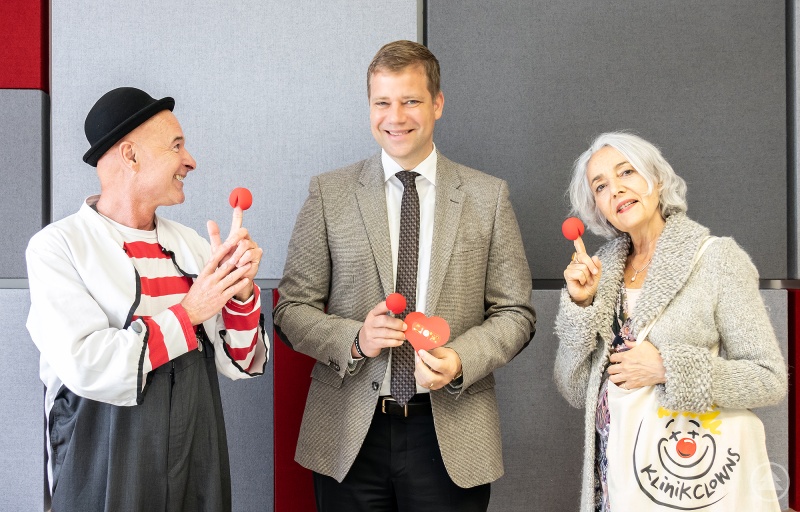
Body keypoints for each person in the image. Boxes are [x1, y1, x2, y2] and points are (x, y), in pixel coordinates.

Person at [274, 40, 536, 511]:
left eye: (411, 100)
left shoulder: (487, 197)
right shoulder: (328, 194)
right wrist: (357, 339)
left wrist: (460, 359)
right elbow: (292, 311)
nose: (396, 116)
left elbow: (516, 312)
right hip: (350, 436)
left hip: (451, 433)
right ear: (369, 107)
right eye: (383, 102)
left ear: (437, 103)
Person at [26, 87, 269, 512]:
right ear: (130, 156)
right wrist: (191, 310)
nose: (190, 160)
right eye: (177, 146)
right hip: (102, 452)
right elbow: (88, 362)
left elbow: (242, 362)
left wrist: (240, 293)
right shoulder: (57, 247)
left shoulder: (191, 244)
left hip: (196, 443)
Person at [553, 131, 787, 512]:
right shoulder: (602, 271)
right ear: (596, 206)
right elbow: (574, 388)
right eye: (601, 186)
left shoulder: (717, 259)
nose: (616, 189)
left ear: (656, 179)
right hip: (611, 484)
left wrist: (668, 367)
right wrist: (582, 304)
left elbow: (769, 380)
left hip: (682, 483)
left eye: (626, 172)